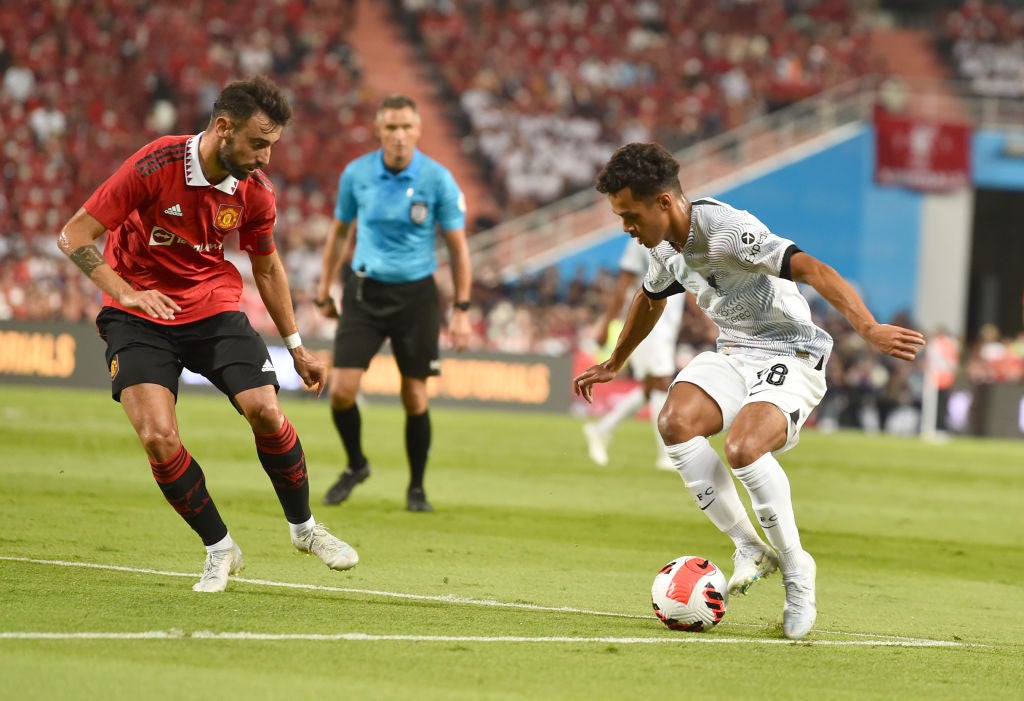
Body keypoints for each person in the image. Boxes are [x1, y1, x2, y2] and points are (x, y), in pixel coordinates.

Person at [573, 143, 925, 640]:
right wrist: (615, 361)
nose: (626, 227)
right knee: (674, 423)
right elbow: (650, 297)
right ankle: (749, 546)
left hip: (792, 352)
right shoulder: (660, 246)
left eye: (630, 215)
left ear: (665, 203)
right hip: (736, 351)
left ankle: (798, 571)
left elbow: (815, 270)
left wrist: (867, 329)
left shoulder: (728, 233)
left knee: (743, 447)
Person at [57, 76, 358, 593]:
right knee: (157, 436)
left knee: (265, 409)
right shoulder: (155, 163)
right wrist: (124, 291)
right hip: (138, 316)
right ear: (223, 128)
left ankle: (306, 530)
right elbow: (74, 234)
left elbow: (266, 268)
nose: (266, 157)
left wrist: (296, 346)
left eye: (272, 145)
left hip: (212, 310)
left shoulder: (255, 192)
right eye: (258, 143)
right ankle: (220, 549)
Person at [316, 94, 471, 513]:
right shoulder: (357, 174)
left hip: (416, 296)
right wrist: (324, 287)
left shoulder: (438, 179)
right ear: (379, 131)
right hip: (364, 291)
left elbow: (458, 249)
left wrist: (461, 308)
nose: (399, 136)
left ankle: (416, 487)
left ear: (418, 131)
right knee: (342, 391)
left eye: (406, 127)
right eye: (391, 128)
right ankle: (356, 464)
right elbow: (339, 233)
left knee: (415, 397)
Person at [583, 237, 683, 471]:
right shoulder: (641, 239)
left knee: (651, 388)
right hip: (647, 323)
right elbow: (623, 286)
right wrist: (606, 325)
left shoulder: (681, 235)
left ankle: (601, 429)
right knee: (660, 383)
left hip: (669, 324)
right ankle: (665, 456)